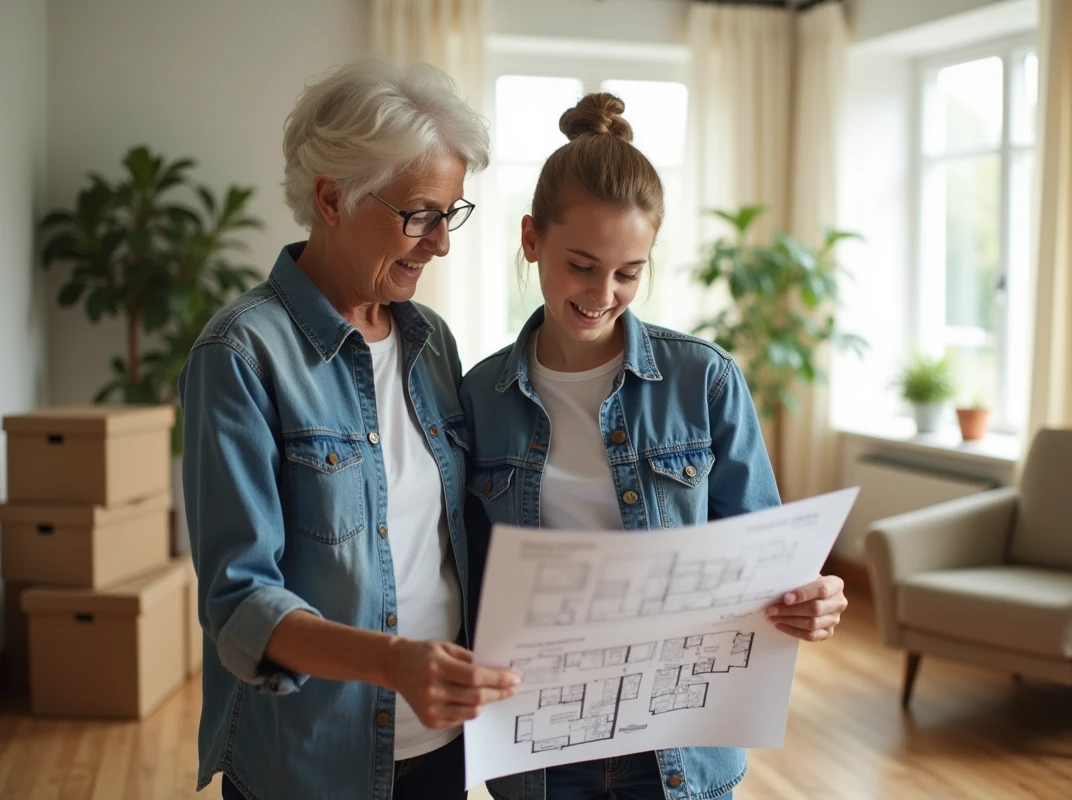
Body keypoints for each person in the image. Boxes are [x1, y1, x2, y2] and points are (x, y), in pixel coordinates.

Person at [459, 93, 850, 800]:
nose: (602, 294)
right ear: (530, 239)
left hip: (678, 743)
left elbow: (764, 552)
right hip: (541, 750)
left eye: (628, 272)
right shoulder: (478, 398)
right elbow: (462, 578)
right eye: (581, 264)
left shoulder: (704, 379)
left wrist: (810, 599)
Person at [178, 58, 520, 800]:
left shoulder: (431, 340)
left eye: (451, 214)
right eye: (420, 214)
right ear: (332, 198)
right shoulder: (240, 354)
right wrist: (394, 661)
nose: (441, 243)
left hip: (445, 747)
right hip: (308, 763)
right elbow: (239, 602)